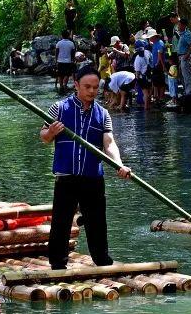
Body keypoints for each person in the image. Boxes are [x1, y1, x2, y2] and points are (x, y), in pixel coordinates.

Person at [40, 64, 132, 269]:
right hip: (66, 176)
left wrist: (119, 165)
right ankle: (57, 264)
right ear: (76, 85)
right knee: (61, 223)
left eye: (95, 87)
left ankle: (102, 262)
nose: (92, 91)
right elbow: (44, 137)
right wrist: (52, 132)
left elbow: (109, 143)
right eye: (87, 87)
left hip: (93, 177)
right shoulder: (59, 108)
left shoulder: (103, 113)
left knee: (97, 223)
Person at [146, 28, 167, 104]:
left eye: (150, 37)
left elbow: (160, 55)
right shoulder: (155, 43)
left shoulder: (160, 43)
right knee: (156, 82)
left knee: (161, 82)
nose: (149, 39)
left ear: (154, 37)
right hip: (155, 65)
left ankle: (161, 97)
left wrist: (158, 64)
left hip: (159, 65)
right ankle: (157, 97)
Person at [177, 17, 191, 95]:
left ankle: (189, 92)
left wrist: (187, 55)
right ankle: (186, 90)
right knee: (182, 75)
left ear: (184, 25)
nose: (178, 26)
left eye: (180, 25)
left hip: (185, 57)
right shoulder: (182, 34)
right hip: (181, 57)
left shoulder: (187, 34)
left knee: (186, 75)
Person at [132, 39, 152, 110]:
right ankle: (149, 106)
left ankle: (146, 108)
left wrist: (136, 80)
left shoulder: (138, 58)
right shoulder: (148, 52)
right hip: (149, 75)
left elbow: (137, 72)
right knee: (149, 92)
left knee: (145, 93)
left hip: (143, 77)